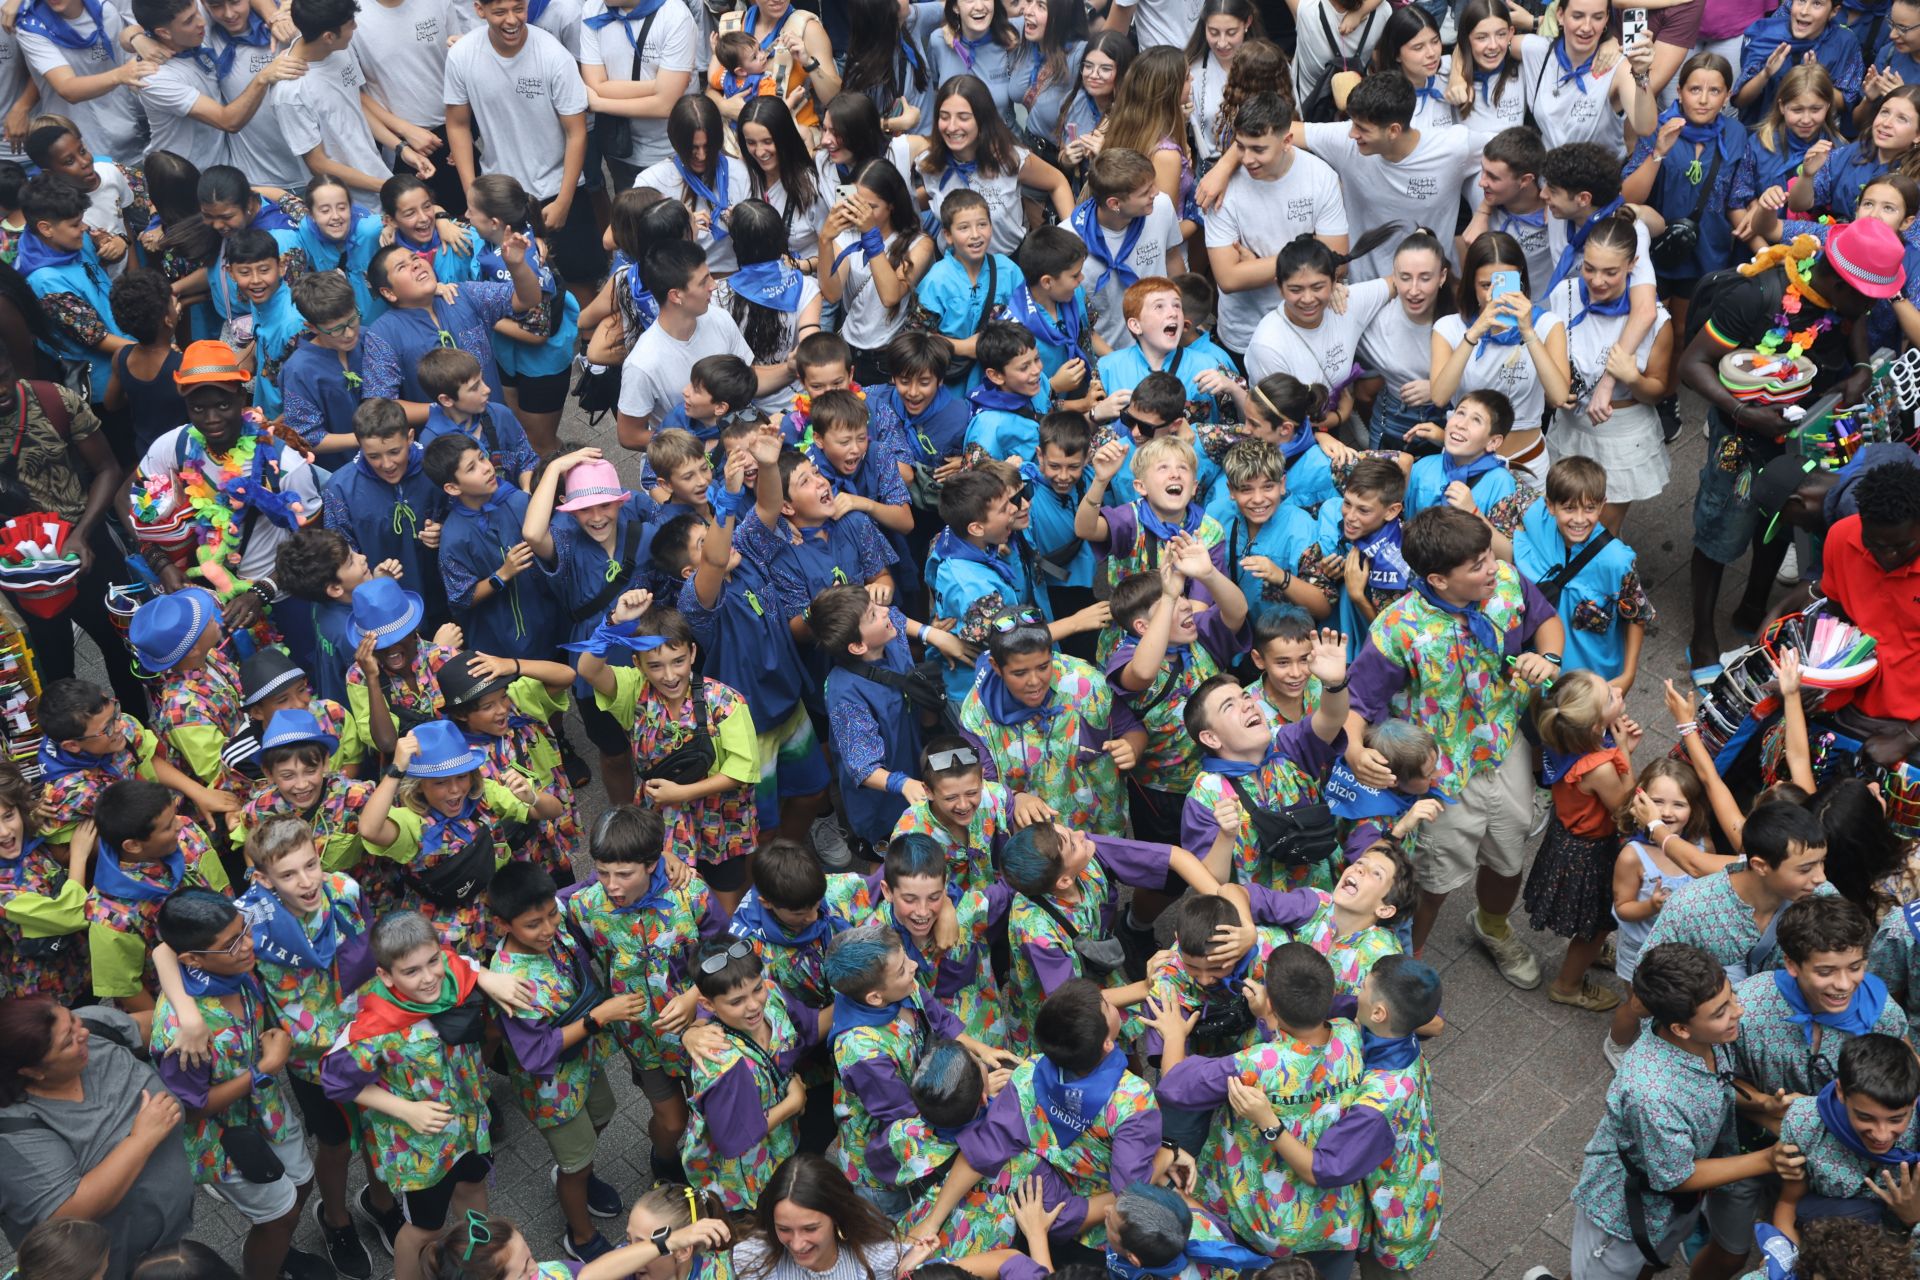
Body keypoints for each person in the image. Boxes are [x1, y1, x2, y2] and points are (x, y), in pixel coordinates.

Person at [1345, 504, 1566, 983]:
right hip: (1440, 779)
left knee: (1508, 858)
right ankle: (1410, 960)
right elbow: (1356, 705)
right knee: (1433, 880)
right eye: (1478, 565)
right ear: (1438, 579)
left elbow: (1545, 619)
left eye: (1489, 556)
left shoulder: (1505, 582)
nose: (1493, 568)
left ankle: (1491, 926)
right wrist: (1355, 750)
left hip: (1505, 753)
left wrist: (1549, 656)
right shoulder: (1398, 630)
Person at [1679, 222, 1892, 684]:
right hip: (1742, 435)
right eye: (1866, 298)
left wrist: (1859, 366)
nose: (1872, 308)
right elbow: (1691, 364)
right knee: (1722, 526)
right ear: (1836, 281)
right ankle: (1702, 637)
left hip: (1799, 435)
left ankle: (1755, 601)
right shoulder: (1755, 297)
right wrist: (1746, 413)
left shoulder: (1844, 301)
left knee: (1779, 521)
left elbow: (1855, 324)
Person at [1549, 943, 1807, 1280]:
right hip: (1626, 1217)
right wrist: (1767, 1160)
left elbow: (1712, 1088)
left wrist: (1759, 1103)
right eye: (1721, 1011)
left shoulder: (1702, 1035)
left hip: (1670, 1206)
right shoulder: (1652, 1095)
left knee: (1647, 1265)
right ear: (1680, 1028)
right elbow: (1676, 1176)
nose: (1738, 1010)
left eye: (1731, 998)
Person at [148, 889, 329, 1280]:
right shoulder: (181, 1034)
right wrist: (265, 1068)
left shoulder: (223, 966)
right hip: (224, 1138)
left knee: (299, 1182)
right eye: (232, 943)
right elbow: (191, 1107)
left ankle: (275, 1247)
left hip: (265, 1110)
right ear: (192, 960)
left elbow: (162, 949)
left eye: (244, 928)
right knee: (277, 1213)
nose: (248, 944)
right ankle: (265, 1262)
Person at [0, 999, 193, 1280]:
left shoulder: (91, 1026)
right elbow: (66, 1212)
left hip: (168, 1231)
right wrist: (142, 1139)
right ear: (32, 1071)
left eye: (72, 1019)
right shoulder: (15, 1131)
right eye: (68, 1042)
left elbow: (148, 1024)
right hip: (108, 1264)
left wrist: (191, 1025)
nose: (83, 1032)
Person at [442, 0, 595, 303]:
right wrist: (472, 193)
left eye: (519, 9)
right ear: (480, 10)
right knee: (510, 285)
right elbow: (458, 124)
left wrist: (564, 200)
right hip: (500, 195)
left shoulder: (553, 55)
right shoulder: (462, 56)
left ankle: (587, 345)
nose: (512, 20)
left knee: (581, 275)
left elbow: (576, 131)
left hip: (556, 189)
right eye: (500, 12)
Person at [271, 0, 434, 196]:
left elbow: (355, 104)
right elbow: (318, 163)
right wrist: (386, 187)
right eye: (351, 25)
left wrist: (402, 149)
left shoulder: (338, 49)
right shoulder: (290, 92)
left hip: (380, 179)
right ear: (329, 37)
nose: (356, 27)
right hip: (348, 204)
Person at [731, 1153, 910, 1280]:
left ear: (836, 1216)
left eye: (810, 1229)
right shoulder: (752, 1259)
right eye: (784, 1229)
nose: (797, 1244)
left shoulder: (878, 1260)